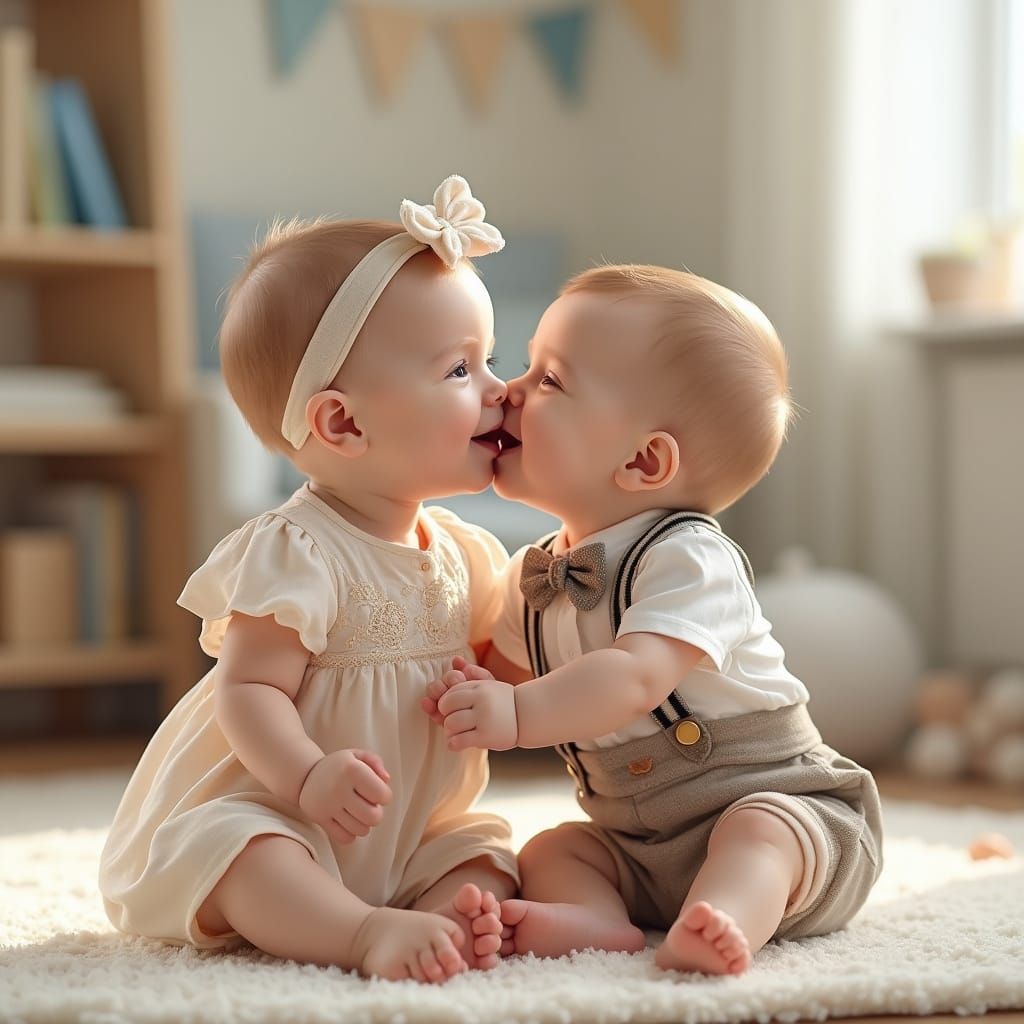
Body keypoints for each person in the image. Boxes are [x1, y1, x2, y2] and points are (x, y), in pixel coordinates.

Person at [100, 176, 520, 983]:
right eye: (461, 370)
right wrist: (305, 775)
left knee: (486, 853)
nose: (499, 388)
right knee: (243, 853)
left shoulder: (465, 552)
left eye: (489, 358)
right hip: (284, 807)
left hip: (406, 829)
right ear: (344, 423)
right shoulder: (298, 551)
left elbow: (505, 665)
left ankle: (429, 917)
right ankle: (360, 935)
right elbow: (247, 691)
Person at [424, 264, 883, 975]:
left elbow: (635, 677)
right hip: (637, 843)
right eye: (526, 366)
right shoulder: (536, 574)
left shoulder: (689, 558)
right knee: (553, 848)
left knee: (761, 835)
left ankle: (730, 917)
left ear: (642, 460)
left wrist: (512, 714)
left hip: (785, 804)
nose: (509, 391)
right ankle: (596, 920)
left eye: (549, 380)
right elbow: (492, 668)